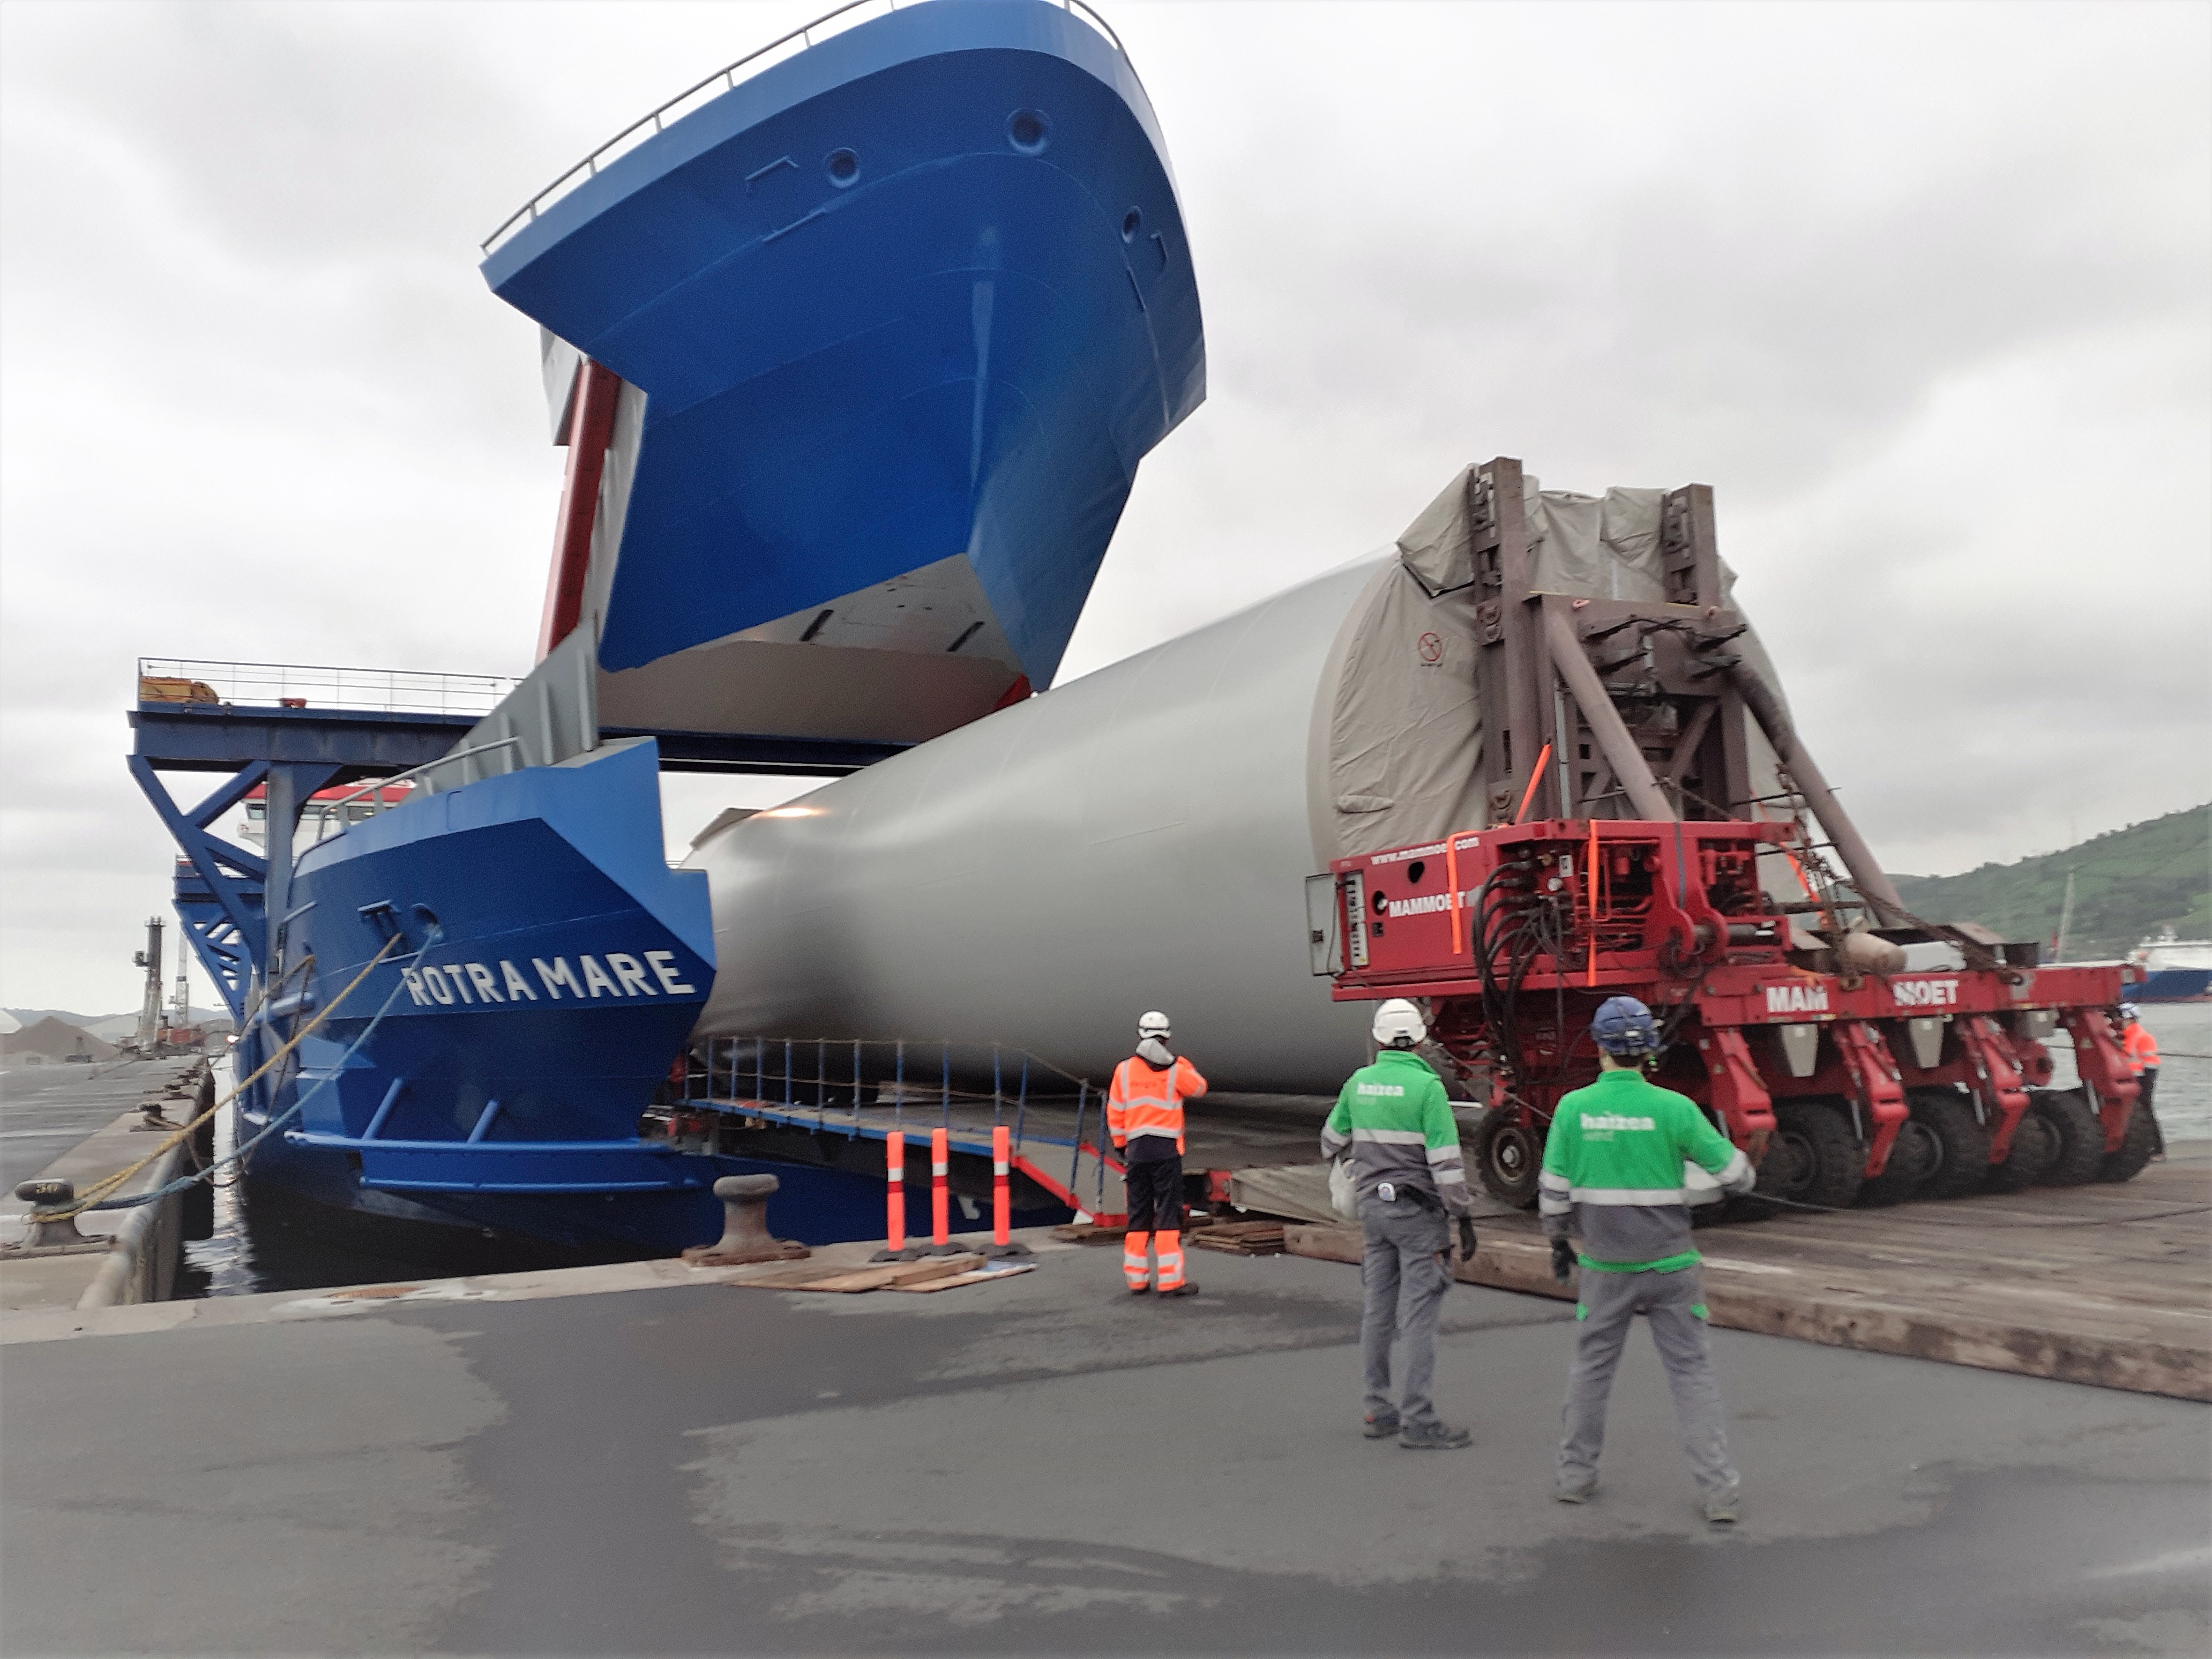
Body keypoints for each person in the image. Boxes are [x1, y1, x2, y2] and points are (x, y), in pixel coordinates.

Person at [1541, 995, 1758, 1522]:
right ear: (1650, 1053)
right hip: (1672, 1267)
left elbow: (1552, 1195)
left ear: (1598, 1047)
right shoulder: (1676, 1109)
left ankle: (1575, 1477)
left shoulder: (1572, 1109)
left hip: (1605, 1268)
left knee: (1592, 1370)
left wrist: (1559, 1243)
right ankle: (1718, 1491)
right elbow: (1738, 1177)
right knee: (1691, 1373)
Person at [1321, 998, 1478, 1449]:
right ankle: (1420, 1420)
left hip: (1374, 1210)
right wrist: (1463, 1216)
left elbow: (1330, 1140)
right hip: (1418, 1217)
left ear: (1378, 1038)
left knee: (1378, 1312)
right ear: (1421, 1039)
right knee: (1419, 1319)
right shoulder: (1428, 1089)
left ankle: (1378, 1409)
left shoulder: (1359, 1083)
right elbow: (1446, 1164)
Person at [1108, 1011, 1207, 1297]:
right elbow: (1200, 1088)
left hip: (1136, 1152)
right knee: (1167, 1214)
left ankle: (1137, 1280)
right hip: (1166, 1153)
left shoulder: (1124, 1070)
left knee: (1138, 1214)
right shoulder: (1176, 1069)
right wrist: (1184, 1064)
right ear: (1167, 1037)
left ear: (1140, 1034)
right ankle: (1171, 1280)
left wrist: (1121, 1145)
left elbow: (1115, 1111)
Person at [2118, 1004, 2164, 1155]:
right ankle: (2152, 1147)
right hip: (2139, 1075)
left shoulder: (2136, 1034)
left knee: (2144, 1109)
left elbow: (2131, 1053)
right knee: (2142, 1110)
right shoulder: (2131, 1033)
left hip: (2143, 1077)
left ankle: (2156, 1148)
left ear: (2130, 1019)